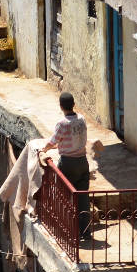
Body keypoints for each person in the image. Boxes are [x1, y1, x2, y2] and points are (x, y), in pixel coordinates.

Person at [38, 92, 93, 234]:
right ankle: (85, 232)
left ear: (61, 106)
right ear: (74, 105)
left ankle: (69, 230)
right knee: (83, 198)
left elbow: (53, 141)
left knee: (65, 197)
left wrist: (43, 150)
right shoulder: (82, 119)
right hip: (82, 162)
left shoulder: (62, 123)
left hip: (68, 163)